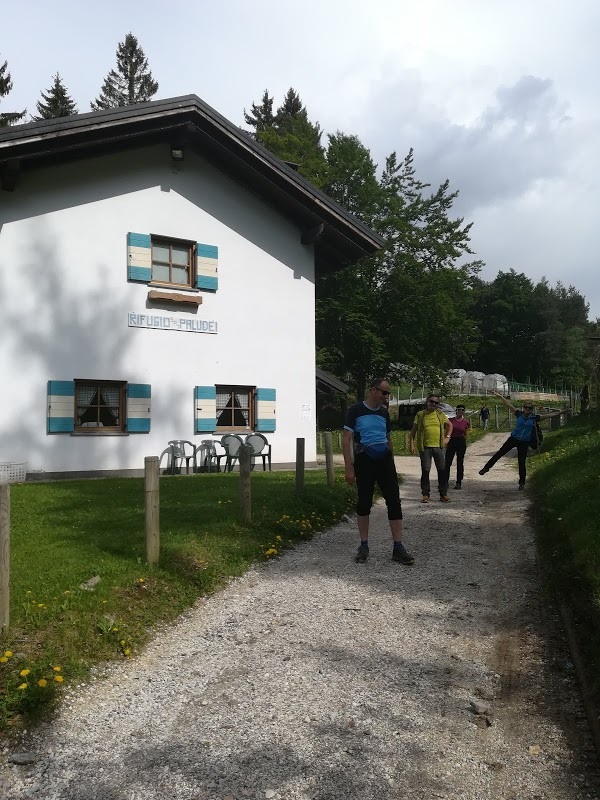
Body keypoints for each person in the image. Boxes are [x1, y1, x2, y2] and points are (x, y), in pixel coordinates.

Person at [343, 378, 414, 565]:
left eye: (387, 393)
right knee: (364, 502)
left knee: (394, 501)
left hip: (384, 460)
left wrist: (392, 462)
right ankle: (363, 545)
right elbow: (346, 438)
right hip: (364, 460)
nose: (386, 396)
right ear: (373, 390)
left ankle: (398, 547)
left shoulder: (384, 414)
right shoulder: (355, 411)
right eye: (384, 392)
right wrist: (348, 467)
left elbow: (388, 438)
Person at [478, 393, 558, 489]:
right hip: (513, 439)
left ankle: (522, 483)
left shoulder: (534, 418)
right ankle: (486, 468)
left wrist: (563, 412)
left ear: (532, 409)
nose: (528, 409)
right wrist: (500, 397)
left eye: (530, 408)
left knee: (521, 462)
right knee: (499, 453)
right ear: (523, 408)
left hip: (524, 442)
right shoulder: (518, 414)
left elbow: (550, 415)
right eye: (526, 407)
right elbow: (508, 405)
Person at [409, 394, 453, 503]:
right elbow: (413, 431)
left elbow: (450, 425)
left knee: (442, 470)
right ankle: (425, 494)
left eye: (436, 403)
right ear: (427, 402)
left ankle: (443, 494)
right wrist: (412, 444)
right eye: (431, 402)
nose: (433, 404)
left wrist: (447, 437)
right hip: (425, 447)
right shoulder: (420, 415)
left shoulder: (440, 414)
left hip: (438, 446)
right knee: (425, 470)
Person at [445, 404, 470, 489]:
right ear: (456, 411)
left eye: (462, 410)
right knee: (448, 462)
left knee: (460, 462)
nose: (461, 411)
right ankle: (445, 482)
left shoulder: (466, 422)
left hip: (461, 441)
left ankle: (458, 482)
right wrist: (446, 440)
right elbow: (447, 431)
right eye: (459, 409)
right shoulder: (450, 420)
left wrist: (464, 441)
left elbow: (465, 432)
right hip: (451, 441)